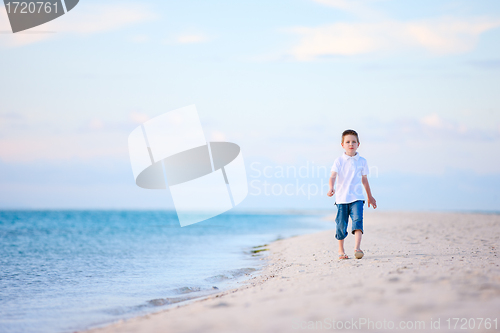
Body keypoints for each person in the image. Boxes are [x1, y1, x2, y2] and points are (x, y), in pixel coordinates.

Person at [327, 129, 377, 260]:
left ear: (358, 144)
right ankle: (341, 250)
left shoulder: (362, 161)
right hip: (342, 199)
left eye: (354, 141)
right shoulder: (339, 161)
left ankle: (357, 248)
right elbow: (332, 176)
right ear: (342, 145)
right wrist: (331, 187)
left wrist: (370, 196)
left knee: (358, 221)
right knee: (341, 224)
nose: (351, 144)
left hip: (357, 198)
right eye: (348, 142)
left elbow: (364, 180)